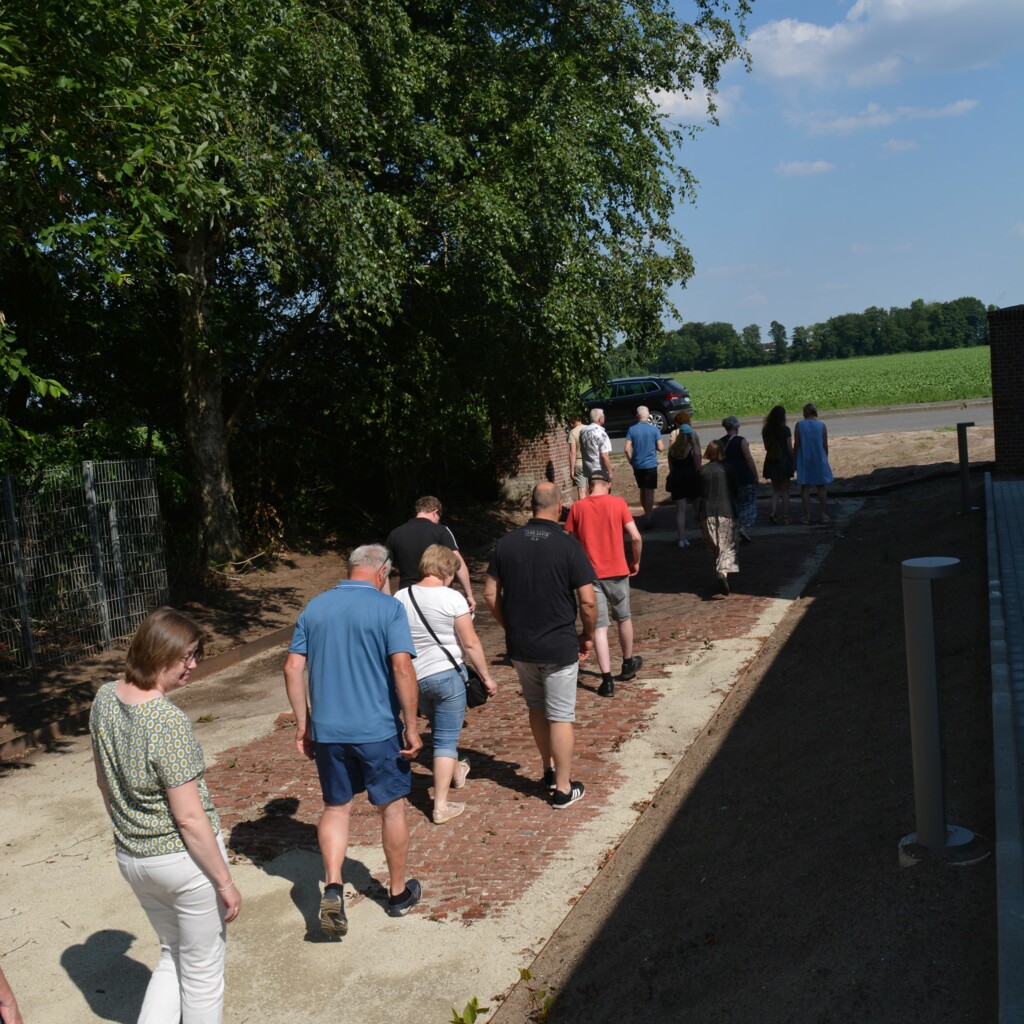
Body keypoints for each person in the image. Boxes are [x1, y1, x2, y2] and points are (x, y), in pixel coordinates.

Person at [89, 607, 240, 1024]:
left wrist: (128, 830)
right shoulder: (165, 720)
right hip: (182, 864)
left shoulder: (104, 698)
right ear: (161, 655)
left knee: (172, 956)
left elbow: (104, 782)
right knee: (203, 974)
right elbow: (190, 818)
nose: (193, 664)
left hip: (134, 857)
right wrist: (225, 882)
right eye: (187, 656)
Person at [283, 544, 423, 937]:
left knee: (336, 807)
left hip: (329, 731)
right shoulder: (388, 608)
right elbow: (402, 667)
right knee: (391, 809)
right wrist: (411, 726)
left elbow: (293, 666)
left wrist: (303, 723)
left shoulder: (315, 607)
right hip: (377, 729)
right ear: (383, 572)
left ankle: (331, 884)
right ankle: (397, 895)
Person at [483, 482, 597, 809]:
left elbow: (490, 594)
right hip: (558, 644)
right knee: (560, 715)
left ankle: (547, 768)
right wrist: (587, 635)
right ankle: (562, 789)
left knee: (536, 706)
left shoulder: (505, 544)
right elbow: (588, 602)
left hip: (521, 645)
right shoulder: (568, 546)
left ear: (531, 505)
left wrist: (509, 625)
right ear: (559, 506)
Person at [394, 545, 498, 825]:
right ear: (445, 569)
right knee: (445, 741)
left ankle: (456, 772)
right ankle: (440, 806)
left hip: (415, 679)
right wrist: (486, 676)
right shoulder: (452, 599)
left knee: (440, 729)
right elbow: (470, 642)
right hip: (447, 675)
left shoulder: (401, 596)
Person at [565, 469, 643, 697]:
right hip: (618, 570)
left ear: (590, 485)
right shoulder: (618, 503)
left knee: (599, 627)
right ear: (608, 484)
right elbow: (636, 537)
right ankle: (628, 663)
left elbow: (571, 543)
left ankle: (607, 680)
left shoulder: (578, 508)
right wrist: (635, 561)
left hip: (590, 575)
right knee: (624, 618)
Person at [385, 496, 476, 613]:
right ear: (435, 512)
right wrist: (469, 594)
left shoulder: (395, 533)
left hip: (407, 596)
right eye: (439, 518)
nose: (438, 521)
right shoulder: (441, 531)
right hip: (437, 595)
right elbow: (458, 561)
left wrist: (387, 599)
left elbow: (383, 569)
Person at [699, 440, 739, 597]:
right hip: (726, 510)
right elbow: (736, 489)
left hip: (706, 513)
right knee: (729, 546)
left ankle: (723, 577)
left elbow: (698, 492)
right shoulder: (728, 468)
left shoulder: (702, 471)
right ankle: (722, 572)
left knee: (714, 548)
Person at [718, 415, 759, 543]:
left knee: (733, 504)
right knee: (748, 504)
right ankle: (743, 527)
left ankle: (733, 530)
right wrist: (755, 475)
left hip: (728, 478)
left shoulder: (720, 442)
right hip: (743, 476)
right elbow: (748, 459)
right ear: (737, 427)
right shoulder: (741, 441)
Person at [794, 402, 834, 524]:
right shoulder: (822, 425)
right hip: (819, 458)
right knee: (821, 486)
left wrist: (795, 459)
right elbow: (825, 445)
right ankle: (823, 514)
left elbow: (797, 444)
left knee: (805, 487)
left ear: (805, 412)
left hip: (804, 458)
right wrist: (825, 457)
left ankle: (807, 516)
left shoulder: (799, 425)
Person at [666, 410, 701, 548]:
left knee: (680, 511)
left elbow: (671, 468)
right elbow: (698, 466)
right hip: (691, 479)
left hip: (677, 479)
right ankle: (703, 532)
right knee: (698, 506)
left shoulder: (672, 450)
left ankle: (681, 538)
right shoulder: (692, 449)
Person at [624, 406, 664, 527]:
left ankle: (646, 511)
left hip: (637, 464)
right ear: (648, 416)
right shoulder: (654, 430)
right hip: (650, 464)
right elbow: (661, 448)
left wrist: (631, 461)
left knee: (642, 489)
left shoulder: (632, 430)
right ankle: (649, 515)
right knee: (650, 491)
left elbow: (626, 448)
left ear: (637, 416)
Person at [761, 405, 795, 525]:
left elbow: (766, 447)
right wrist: (794, 460)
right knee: (785, 490)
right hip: (784, 461)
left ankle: (773, 510)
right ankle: (785, 517)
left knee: (775, 490)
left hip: (771, 460)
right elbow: (790, 448)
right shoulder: (785, 430)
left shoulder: (766, 429)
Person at [578, 409, 613, 484]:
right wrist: (610, 471)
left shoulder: (583, 431)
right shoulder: (601, 434)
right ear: (600, 419)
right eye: (603, 416)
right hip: (599, 469)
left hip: (588, 468)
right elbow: (604, 455)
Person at [567, 414, 587, 501]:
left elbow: (573, 452)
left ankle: (584, 512)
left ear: (571, 424)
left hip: (580, 463)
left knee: (582, 490)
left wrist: (571, 470)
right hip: (592, 462)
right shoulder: (589, 428)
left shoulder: (572, 432)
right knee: (593, 488)